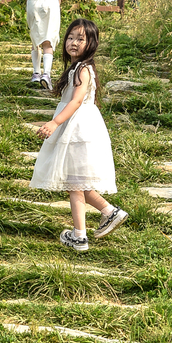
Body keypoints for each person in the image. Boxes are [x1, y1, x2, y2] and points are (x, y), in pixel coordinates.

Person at [29, 17, 128, 253]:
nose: (73, 42)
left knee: (74, 183)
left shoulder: (83, 69)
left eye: (80, 39)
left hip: (78, 128)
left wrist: (55, 123)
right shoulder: (76, 68)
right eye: (70, 38)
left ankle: (80, 236)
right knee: (75, 181)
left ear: (91, 43)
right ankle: (109, 212)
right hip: (76, 126)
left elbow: (75, 101)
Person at [19, 0, 68, 90]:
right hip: (51, 5)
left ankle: (35, 73)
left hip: (33, 4)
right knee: (48, 41)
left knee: (35, 40)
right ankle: (46, 74)